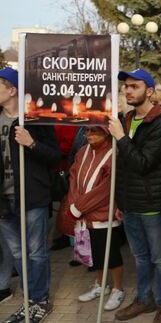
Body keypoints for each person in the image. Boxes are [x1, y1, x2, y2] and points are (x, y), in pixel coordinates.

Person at [108, 68, 161, 323]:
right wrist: (119, 200)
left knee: (160, 259)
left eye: (134, 86)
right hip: (130, 203)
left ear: (149, 91)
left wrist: (121, 138)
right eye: (126, 86)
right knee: (140, 257)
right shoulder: (126, 119)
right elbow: (122, 166)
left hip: (153, 204)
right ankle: (144, 298)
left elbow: (143, 163)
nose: (127, 91)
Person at [0, 67, 61, 323]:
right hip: (3, 200)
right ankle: (28, 300)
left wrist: (31, 143)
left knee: (36, 253)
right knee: (18, 254)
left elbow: (55, 156)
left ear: (12, 90)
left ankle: (40, 300)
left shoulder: (36, 118)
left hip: (32, 197)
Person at [65, 126, 126, 311]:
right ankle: (100, 285)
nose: (89, 135)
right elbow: (73, 176)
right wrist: (74, 202)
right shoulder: (83, 151)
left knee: (111, 254)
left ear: (106, 132)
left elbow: (106, 188)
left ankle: (117, 289)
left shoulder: (113, 152)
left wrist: (79, 206)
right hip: (84, 214)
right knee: (95, 254)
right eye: (87, 131)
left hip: (103, 213)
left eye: (94, 131)